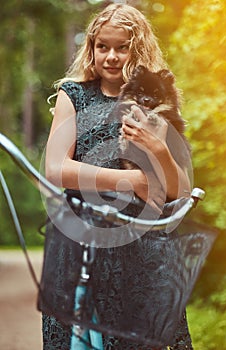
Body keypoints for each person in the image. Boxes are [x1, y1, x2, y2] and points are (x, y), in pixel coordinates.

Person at [41, 3, 193, 349]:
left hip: (143, 251)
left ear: (136, 50)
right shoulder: (74, 95)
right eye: (102, 46)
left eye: (122, 47)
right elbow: (56, 169)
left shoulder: (157, 99)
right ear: (91, 49)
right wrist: (133, 182)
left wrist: (158, 150)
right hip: (81, 244)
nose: (111, 56)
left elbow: (179, 190)